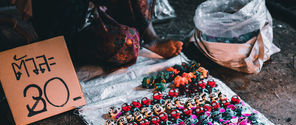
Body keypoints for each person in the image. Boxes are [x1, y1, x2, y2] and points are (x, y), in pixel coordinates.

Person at [19, 0, 183, 65]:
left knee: (127, 39)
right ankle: (70, 54)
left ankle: (150, 37)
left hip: (98, 12)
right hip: (68, 26)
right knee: (125, 43)